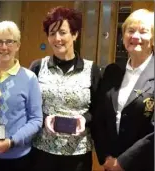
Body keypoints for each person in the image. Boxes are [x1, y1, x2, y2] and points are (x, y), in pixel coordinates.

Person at [29, 6, 101, 171]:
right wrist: (45, 118)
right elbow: (30, 107)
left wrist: (85, 119)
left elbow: (98, 110)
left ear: (75, 34)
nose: (57, 38)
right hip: (42, 152)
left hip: (78, 154)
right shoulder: (38, 67)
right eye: (52, 33)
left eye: (62, 32)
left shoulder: (92, 70)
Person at [0, 21, 43, 171]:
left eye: (10, 42)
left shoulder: (29, 78)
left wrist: (11, 142)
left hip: (18, 158)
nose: (4, 47)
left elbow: (36, 119)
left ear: (18, 45)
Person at [93, 9, 154, 171]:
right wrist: (105, 157)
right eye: (130, 31)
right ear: (123, 36)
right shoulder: (112, 71)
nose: (135, 36)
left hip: (144, 164)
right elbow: (99, 118)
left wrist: (123, 163)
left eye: (143, 31)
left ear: (153, 38)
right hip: (109, 163)